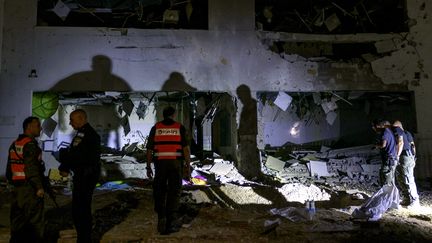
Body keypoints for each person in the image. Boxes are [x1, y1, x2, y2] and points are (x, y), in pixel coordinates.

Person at [57, 109, 101, 242]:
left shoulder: (88, 135)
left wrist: (65, 164)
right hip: (84, 175)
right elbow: (75, 153)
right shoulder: (83, 134)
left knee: (81, 209)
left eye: (72, 120)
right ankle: (83, 236)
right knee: (80, 208)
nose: (70, 123)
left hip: (85, 176)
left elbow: (77, 155)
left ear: (81, 118)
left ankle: (84, 238)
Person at [146, 106, 191, 235]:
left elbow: (149, 150)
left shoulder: (156, 128)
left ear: (163, 115)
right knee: (174, 191)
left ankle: (161, 216)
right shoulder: (179, 127)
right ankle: (171, 220)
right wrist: (188, 165)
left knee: (159, 190)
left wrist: (148, 167)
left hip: (160, 164)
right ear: (173, 115)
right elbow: (186, 149)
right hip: (176, 164)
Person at [5, 116, 46, 242]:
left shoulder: (15, 143)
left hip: (17, 190)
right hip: (30, 189)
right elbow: (31, 168)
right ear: (29, 127)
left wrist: (12, 184)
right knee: (35, 222)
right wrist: (39, 187)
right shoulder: (30, 144)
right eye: (38, 126)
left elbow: (9, 169)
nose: (41, 128)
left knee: (18, 221)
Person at [392, 120, 420, 208]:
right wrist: (414, 157)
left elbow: (402, 143)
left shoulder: (400, 132)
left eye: (395, 127)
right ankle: (407, 199)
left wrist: (397, 155)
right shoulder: (407, 133)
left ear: (398, 127)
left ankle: (414, 201)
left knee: (408, 179)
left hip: (405, 156)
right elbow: (413, 146)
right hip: (408, 157)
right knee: (401, 178)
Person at [372, 119, 398, 186]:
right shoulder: (389, 132)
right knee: (390, 178)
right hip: (391, 158)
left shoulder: (385, 133)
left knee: (385, 177)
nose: (373, 128)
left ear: (379, 126)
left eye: (374, 126)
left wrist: (376, 146)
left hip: (389, 159)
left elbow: (383, 145)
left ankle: (388, 194)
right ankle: (390, 194)